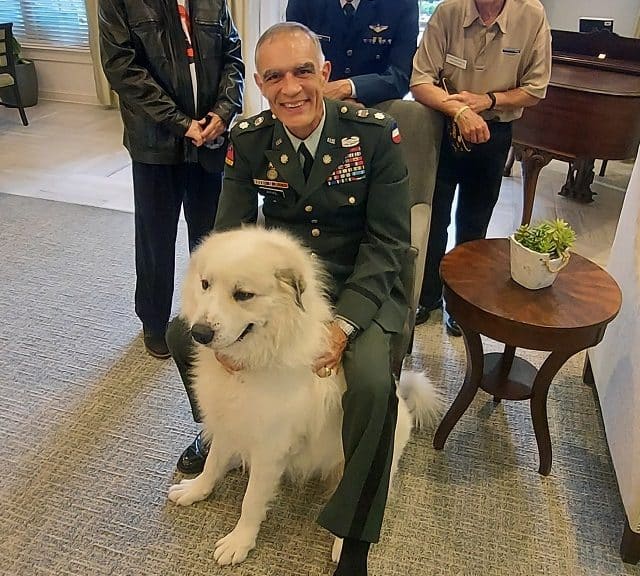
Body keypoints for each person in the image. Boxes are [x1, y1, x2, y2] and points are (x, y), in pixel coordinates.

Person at [166, 22, 410, 576]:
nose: (291, 88)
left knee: (370, 381)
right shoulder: (251, 138)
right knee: (184, 334)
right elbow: (225, 235)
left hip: (359, 283)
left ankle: (355, 524)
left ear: (324, 74)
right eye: (274, 76)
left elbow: (390, 242)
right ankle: (225, 435)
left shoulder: (376, 135)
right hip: (277, 293)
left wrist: (345, 324)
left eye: (303, 71)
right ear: (259, 82)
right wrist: (216, 315)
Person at [98, 0, 244, 358]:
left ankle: (210, 316)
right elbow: (122, 69)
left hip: (211, 138)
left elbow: (233, 58)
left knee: (211, 237)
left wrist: (223, 112)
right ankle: (153, 319)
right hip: (155, 143)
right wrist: (182, 123)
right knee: (155, 237)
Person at [410, 0, 551, 335]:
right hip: (442, 126)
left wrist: (487, 100)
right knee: (434, 218)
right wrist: (459, 111)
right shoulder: (448, 11)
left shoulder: (532, 15)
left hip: (494, 130)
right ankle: (427, 297)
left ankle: (459, 302)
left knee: (474, 223)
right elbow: (420, 81)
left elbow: (536, 88)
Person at [285, 0, 418, 107]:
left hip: (376, 104)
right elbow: (294, 65)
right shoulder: (302, 3)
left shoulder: (402, 4)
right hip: (316, 101)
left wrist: (349, 88)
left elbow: (401, 76)